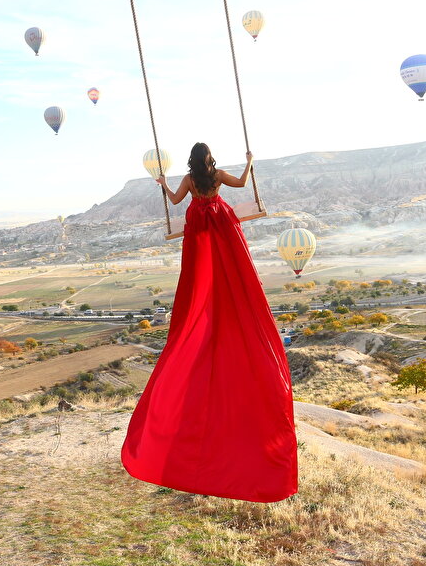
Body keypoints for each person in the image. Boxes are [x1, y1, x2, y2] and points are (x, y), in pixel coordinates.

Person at [121, 143, 297, 503]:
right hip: (221, 224)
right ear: (209, 158)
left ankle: (207, 291)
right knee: (231, 264)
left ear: (191, 160)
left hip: (200, 227)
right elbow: (241, 184)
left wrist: (163, 184)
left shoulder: (189, 180)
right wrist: (249, 163)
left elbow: (175, 202)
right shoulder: (216, 175)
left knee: (199, 272)